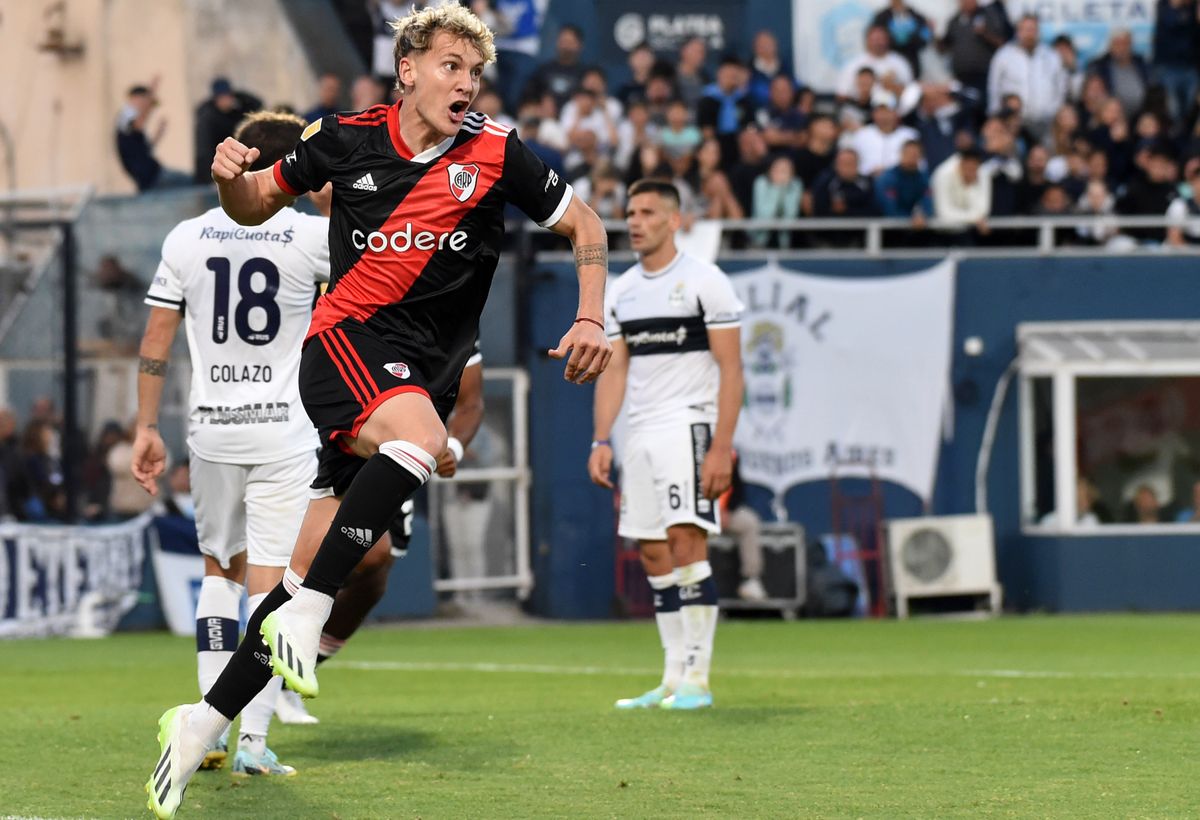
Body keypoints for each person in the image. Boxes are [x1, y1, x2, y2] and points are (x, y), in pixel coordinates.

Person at [145, 7, 611, 817]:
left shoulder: (497, 153)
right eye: (451, 65)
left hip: (413, 377)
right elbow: (254, 202)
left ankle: (203, 721)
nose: (466, 84)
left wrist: (591, 314)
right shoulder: (343, 138)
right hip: (344, 347)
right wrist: (227, 176)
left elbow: (586, 224)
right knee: (419, 448)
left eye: (476, 72)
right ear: (406, 68)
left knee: (302, 577)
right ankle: (310, 615)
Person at [135, 110, 330, 779]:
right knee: (272, 586)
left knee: (219, 570)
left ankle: (206, 726)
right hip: (285, 428)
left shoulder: (186, 237)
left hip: (212, 428)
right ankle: (251, 741)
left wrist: (144, 426)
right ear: (289, 169)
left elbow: (157, 341)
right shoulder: (312, 237)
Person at [589, 178, 743, 711]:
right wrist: (601, 438)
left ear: (674, 220)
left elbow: (732, 368)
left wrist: (722, 447)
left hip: (689, 427)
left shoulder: (706, 282)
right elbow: (613, 373)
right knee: (651, 550)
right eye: (630, 212)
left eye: (647, 212)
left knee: (685, 543)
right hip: (641, 432)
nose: (634, 221)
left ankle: (699, 679)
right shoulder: (623, 290)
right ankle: (672, 677)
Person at [986, 15, 1067, 138]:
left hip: (1045, 124)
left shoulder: (1051, 56)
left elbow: (1060, 88)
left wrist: (1053, 112)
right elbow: (993, 88)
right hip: (1013, 123)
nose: (1029, 34)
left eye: (1033, 30)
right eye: (1026, 29)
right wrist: (996, 116)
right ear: (1018, 31)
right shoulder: (1004, 55)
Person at [115, 83, 190, 192]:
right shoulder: (126, 114)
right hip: (150, 177)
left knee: (190, 183)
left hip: (153, 174)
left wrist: (159, 132)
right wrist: (150, 94)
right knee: (191, 182)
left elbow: (146, 148)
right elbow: (137, 124)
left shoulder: (132, 119)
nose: (149, 108)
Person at [193, 78, 263, 184]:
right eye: (221, 98)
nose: (225, 101)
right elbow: (203, 152)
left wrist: (238, 95)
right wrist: (208, 179)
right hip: (215, 172)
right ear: (215, 100)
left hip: (237, 169)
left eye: (227, 97)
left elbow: (257, 104)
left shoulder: (236, 113)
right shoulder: (208, 118)